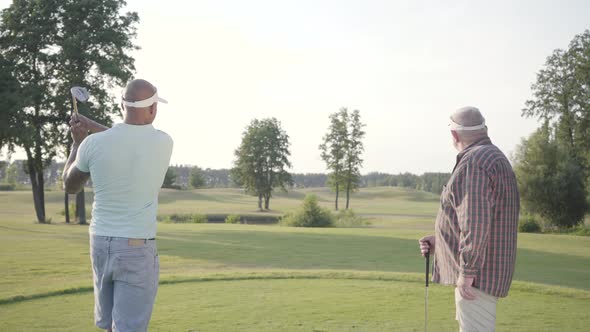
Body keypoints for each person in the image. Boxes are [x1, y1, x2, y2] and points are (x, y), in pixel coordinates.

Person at [62, 79, 173, 332]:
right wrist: (93, 129)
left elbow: (70, 186)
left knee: (109, 326)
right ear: (153, 109)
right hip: (136, 246)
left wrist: (78, 143)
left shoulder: (91, 144)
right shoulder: (163, 142)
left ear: (121, 105)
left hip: (100, 243)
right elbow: (127, 139)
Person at [418, 106, 520, 332]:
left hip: (478, 278)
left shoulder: (474, 163)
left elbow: (475, 222)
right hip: (485, 273)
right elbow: (482, 219)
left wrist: (468, 272)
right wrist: (441, 242)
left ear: (454, 135)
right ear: (484, 130)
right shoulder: (492, 156)